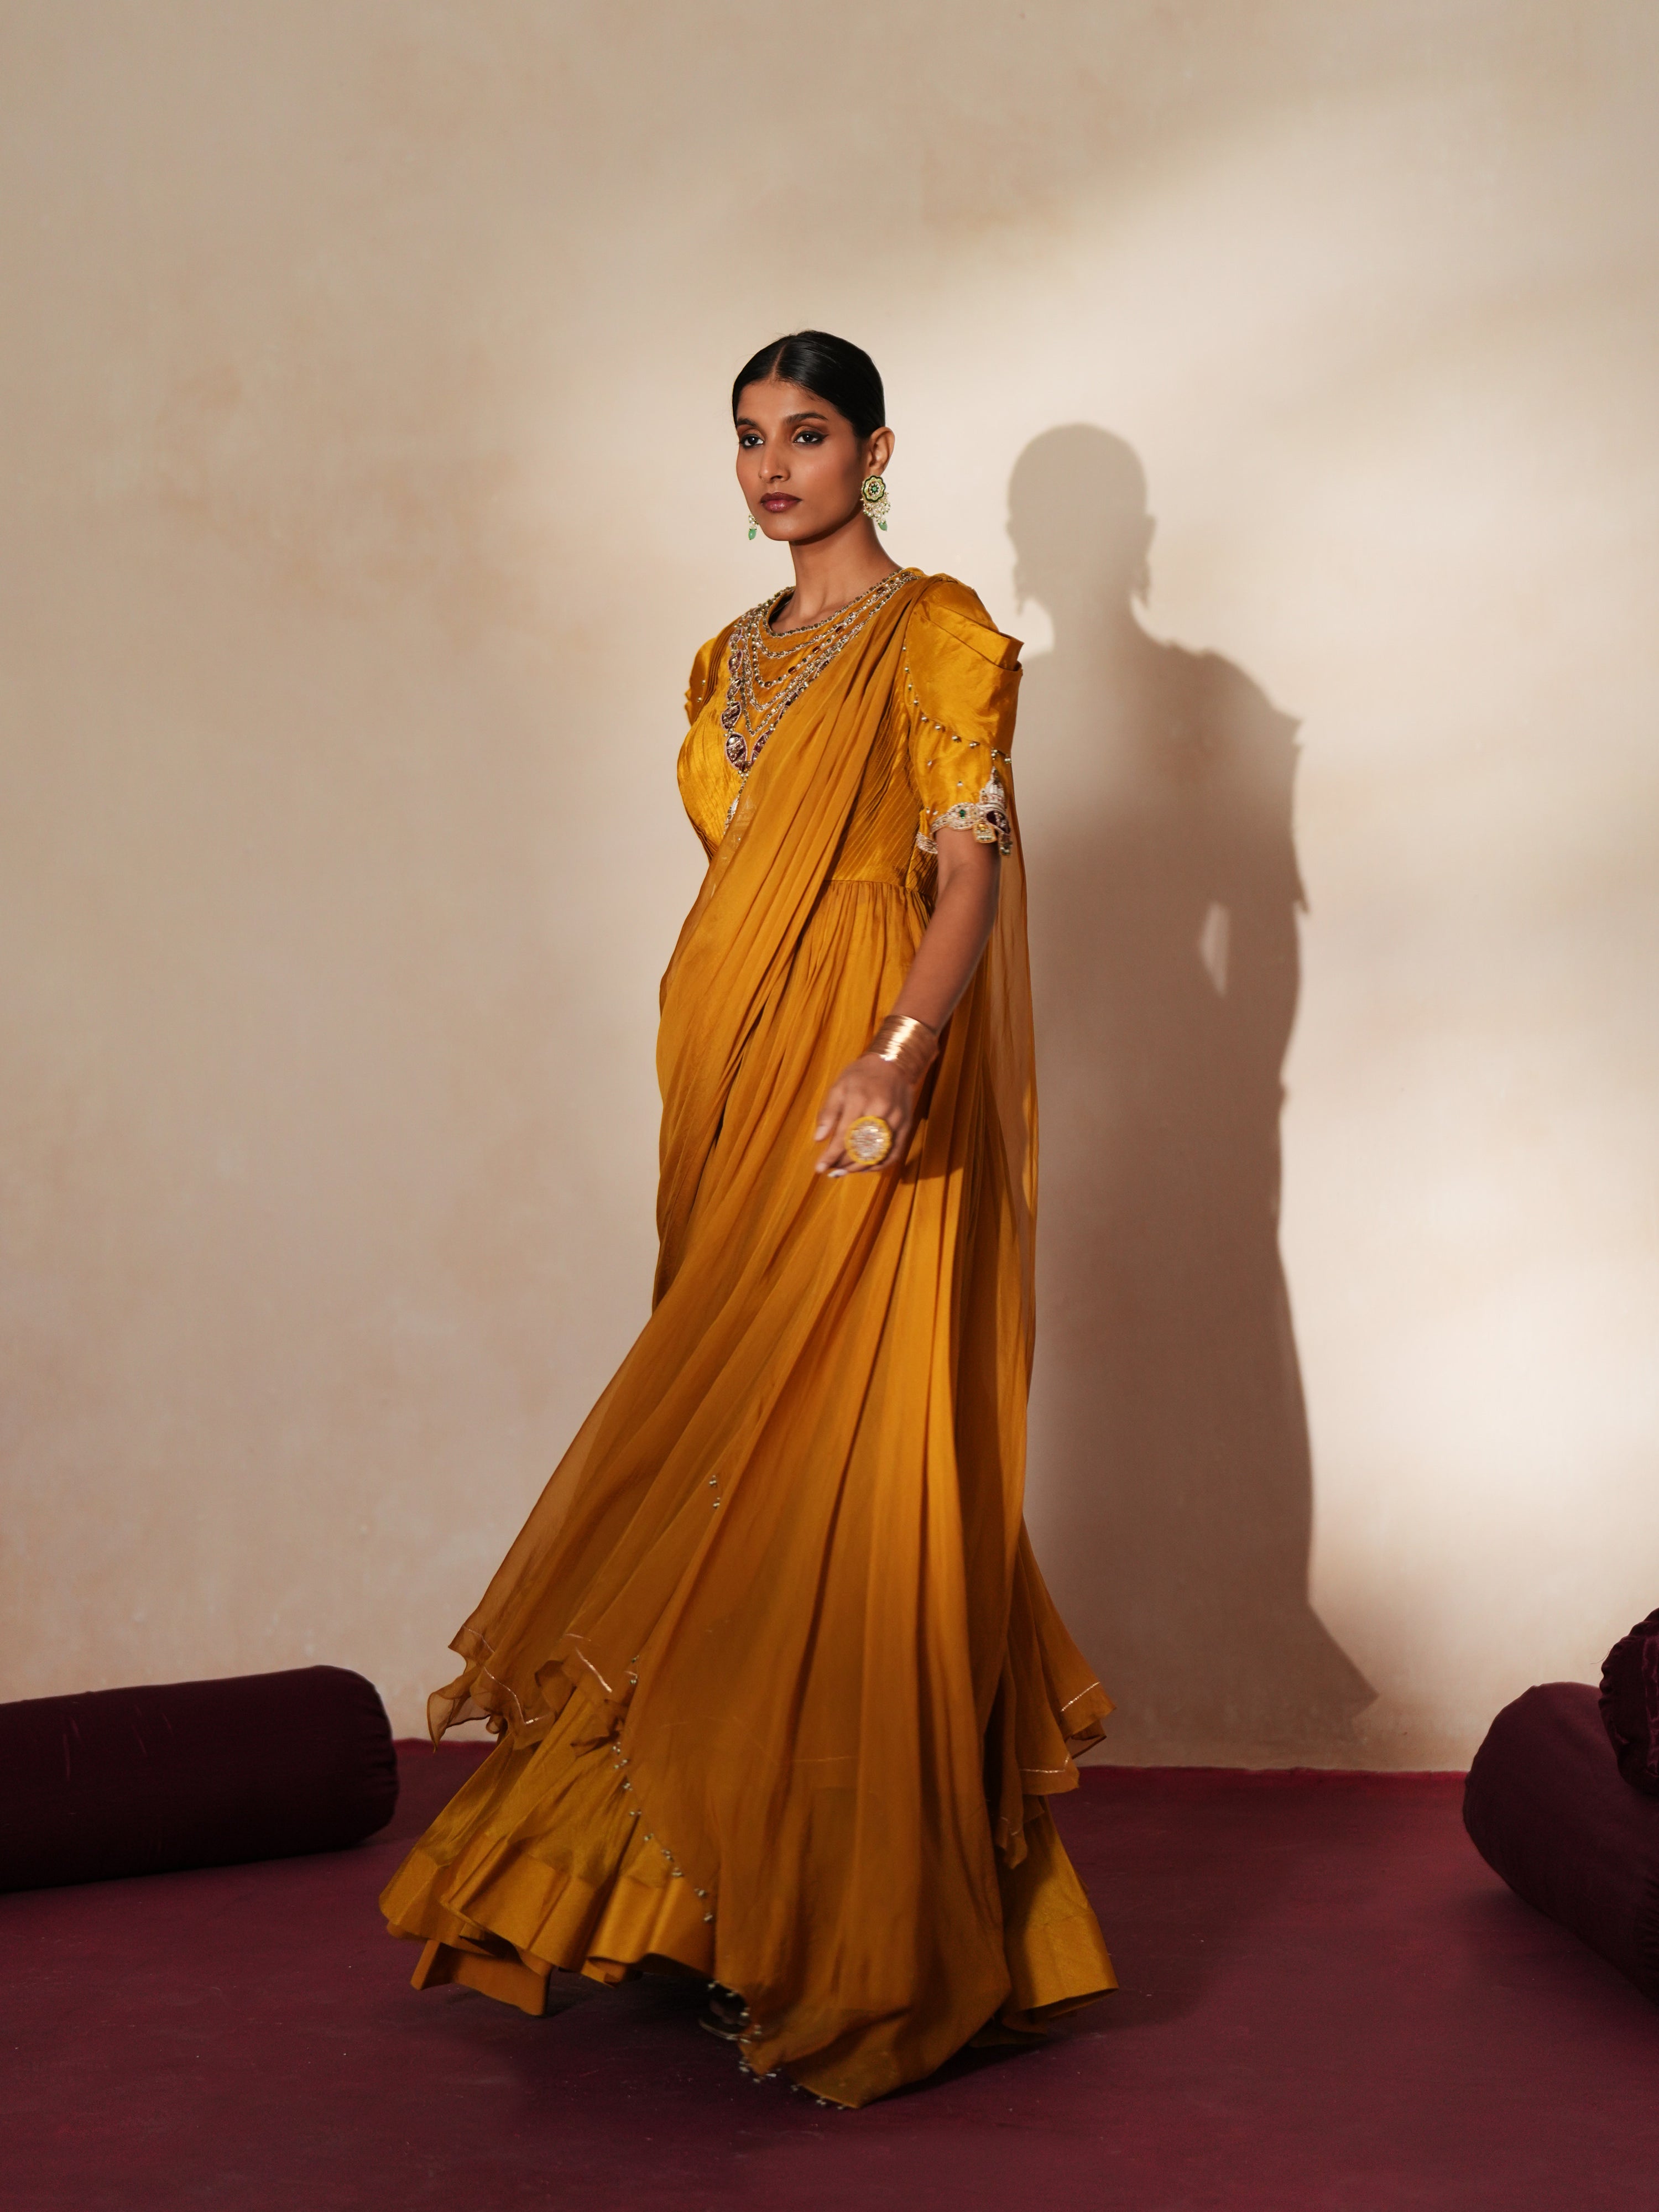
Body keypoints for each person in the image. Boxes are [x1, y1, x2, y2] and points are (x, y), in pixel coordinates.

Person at [380, 331, 1116, 2109]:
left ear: (877, 451)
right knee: (728, 1461)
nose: (774, 466)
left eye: (809, 433)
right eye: (748, 437)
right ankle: (711, 1890)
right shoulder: (725, 656)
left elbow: (971, 870)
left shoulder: (942, 634)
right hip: (723, 1069)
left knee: (843, 1460)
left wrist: (902, 1054)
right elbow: (736, 877)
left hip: (863, 1081)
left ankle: (867, 1928)